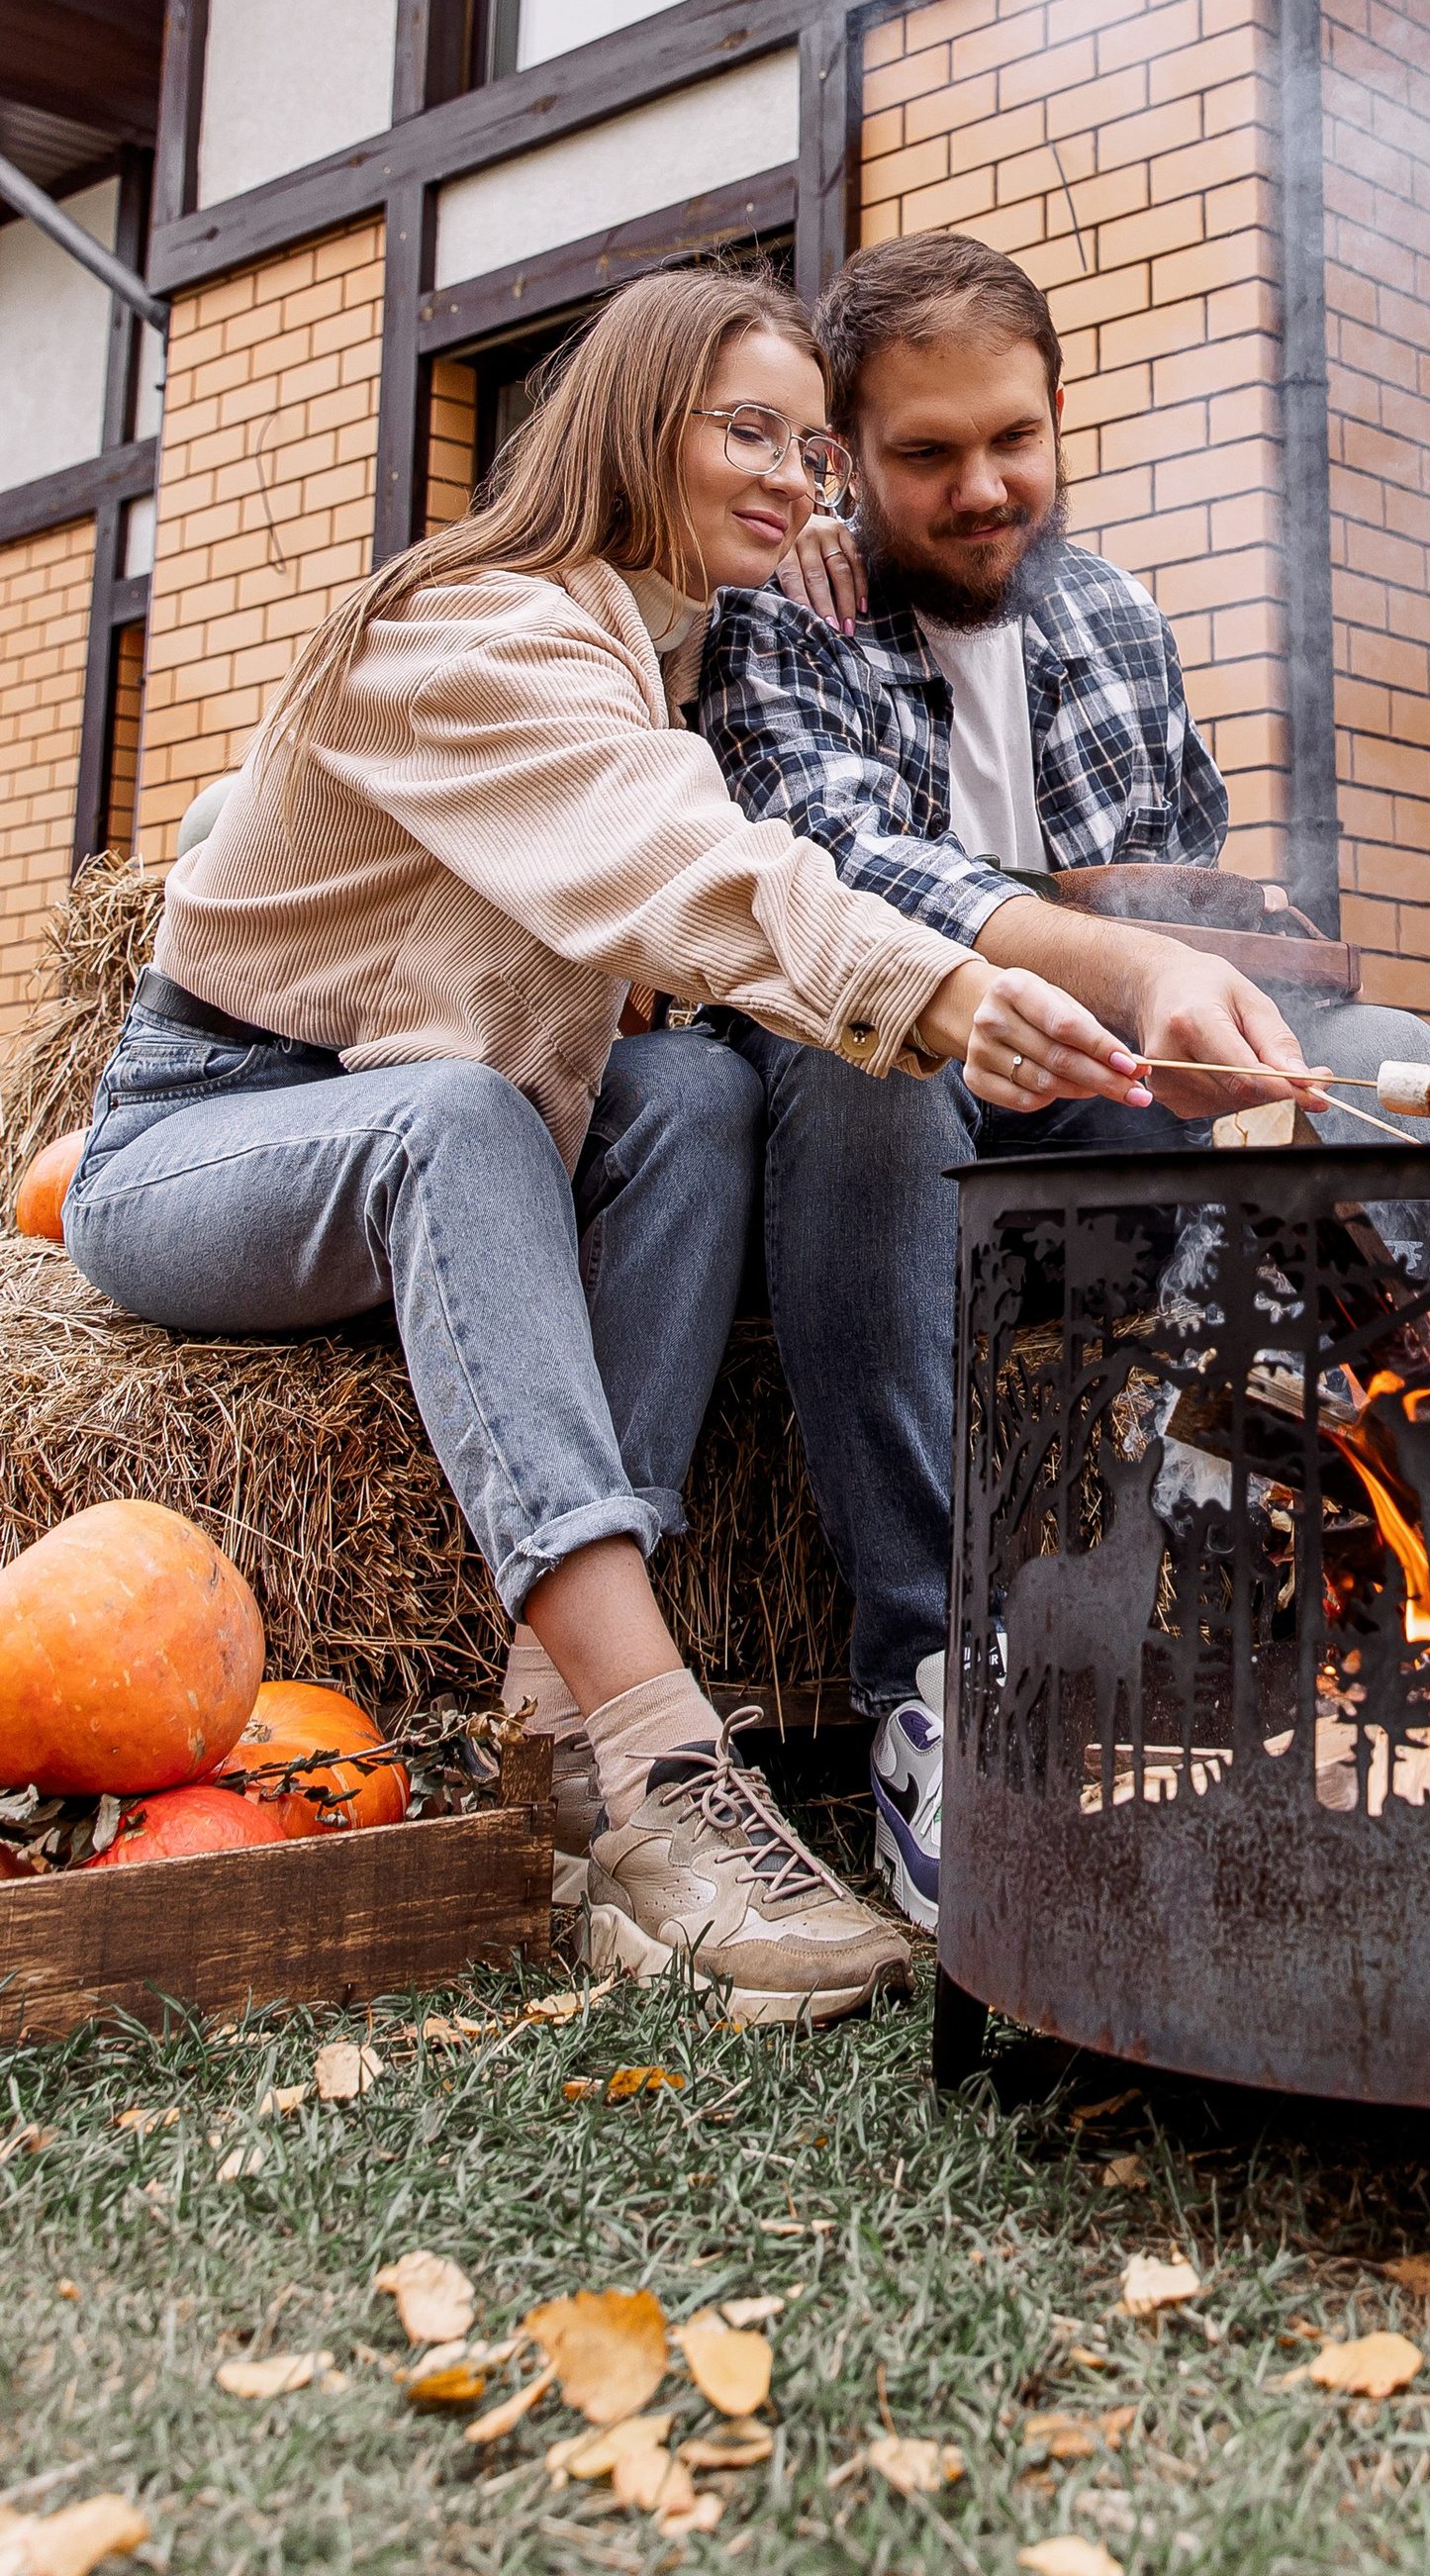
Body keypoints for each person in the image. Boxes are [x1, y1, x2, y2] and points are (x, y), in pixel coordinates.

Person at [61, 267, 1164, 2026]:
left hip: (448, 1104)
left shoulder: (661, 638)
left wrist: (812, 535)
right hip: (209, 1132)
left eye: (814, 447)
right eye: (751, 432)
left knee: (702, 1093)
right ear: (630, 420)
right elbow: (688, 868)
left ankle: (548, 1709)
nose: (798, 477)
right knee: (456, 1117)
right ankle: (656, 1763)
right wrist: (946, 994)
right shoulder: (479, 629)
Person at [699, 232, 1430, 1930]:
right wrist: (1117, 961)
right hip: (904, 1124)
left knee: (1392, 1067)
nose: (984, 490)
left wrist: (1234, 952)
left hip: (1107, 1115)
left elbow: (1177, 871)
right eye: (925, 455)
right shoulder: (778, 623)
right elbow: (837, 874)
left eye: (1014, 440)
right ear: (842, 460)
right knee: (865, 1049)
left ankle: (1365, 1561)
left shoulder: (1114, 612)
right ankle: (930, 1681)